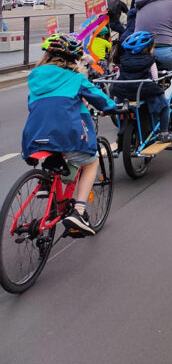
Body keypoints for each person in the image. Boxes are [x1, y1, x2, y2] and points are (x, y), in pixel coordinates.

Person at [22, 34, 118, 236]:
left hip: (34, 137)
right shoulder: (76, 79)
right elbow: (101, 99)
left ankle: (46, 184)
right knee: (90, 161)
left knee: (53, 151)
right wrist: (112, 107)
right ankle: (79, 212)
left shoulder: (35, 78)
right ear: (73, 59)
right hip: (68, 136)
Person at [111, 31, 172, 143]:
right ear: (147, 49)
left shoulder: (123, 60)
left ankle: (120, 134)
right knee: (164, 106)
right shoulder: (150, 61)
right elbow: (154, 78)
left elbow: (118, 76)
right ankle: (164, 133)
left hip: (124, 92)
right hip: (143, 91)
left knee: (118, 107)